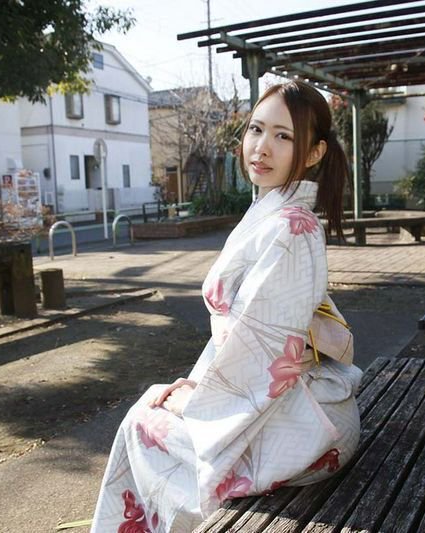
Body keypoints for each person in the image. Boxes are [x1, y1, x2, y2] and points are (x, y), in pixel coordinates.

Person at [90, 81, 363, 533]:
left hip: (306, 430)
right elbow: (250, 340)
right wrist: (198, 390)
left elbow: (261, 348)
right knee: (152, 411)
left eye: (283, 136)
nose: (262, 147)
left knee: (142, 425)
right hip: (293, 406)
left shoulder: (290, 227)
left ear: (314, 153)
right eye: (256, 129)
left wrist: (198, 401)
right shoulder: (274, 213)